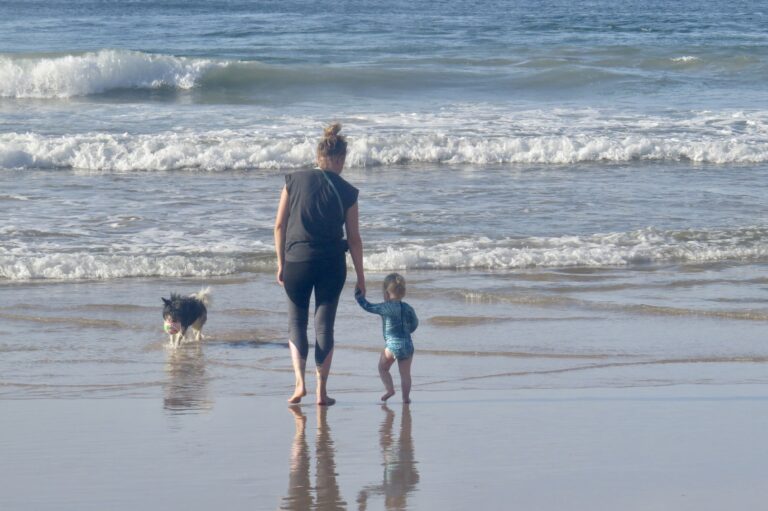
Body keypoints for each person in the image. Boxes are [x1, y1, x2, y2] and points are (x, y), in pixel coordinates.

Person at [274, 123, 365, 406]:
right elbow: (354, 240)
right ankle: (321, 392)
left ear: (318, 156)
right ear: (339, 159)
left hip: (296, 262)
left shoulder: (293, 180)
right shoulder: (348, 191)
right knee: (324, 327)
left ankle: (299, 383)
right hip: (331, 265)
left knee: (296, 323)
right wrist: (361, 278)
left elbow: (279, 226)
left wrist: (280, 263)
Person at [355, 273, 418, 403]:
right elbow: (415, 323)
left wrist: (358, 296)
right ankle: (406, 398)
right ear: (403, 292)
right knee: (405, 374)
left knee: (382, 368)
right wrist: (408, 330)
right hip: (408, 345)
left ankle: (390, 389)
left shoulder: (384, 307)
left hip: (392, 346)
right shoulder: (408, 308)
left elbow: (368, 306)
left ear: (386, 293)